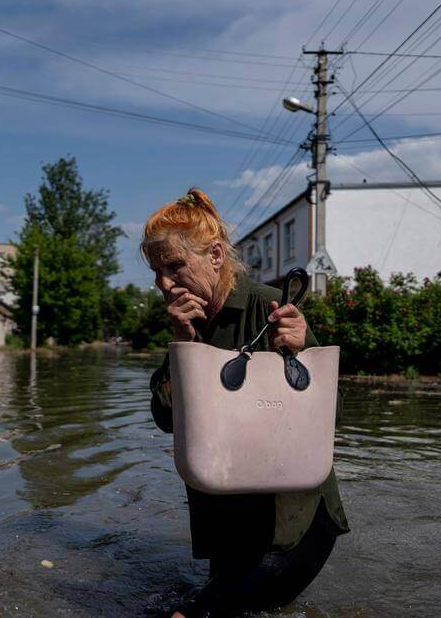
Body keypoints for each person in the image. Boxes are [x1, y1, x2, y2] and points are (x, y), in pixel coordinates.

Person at [142, 188, 350, 618]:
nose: (164, 282)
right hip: (228, 526)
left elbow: (336, 415)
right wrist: (184, 346)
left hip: (292, 527)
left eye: (175, 265)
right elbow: (166, 420)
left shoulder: (269, 306)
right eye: (157, 270)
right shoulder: (190, 324)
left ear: (215, 255)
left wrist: (294, 354)